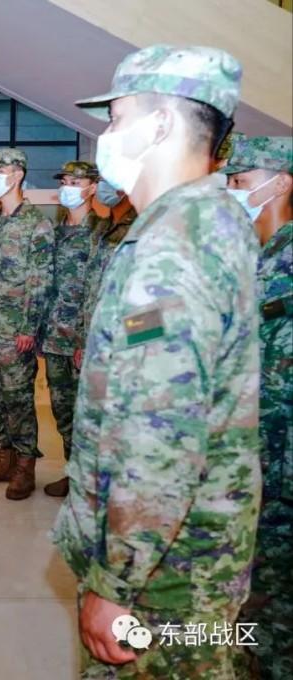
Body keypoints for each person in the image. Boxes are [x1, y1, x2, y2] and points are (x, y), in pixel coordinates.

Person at [50, 45, 261, 679]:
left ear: (161, 124)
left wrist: (116, 584)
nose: (106, 135)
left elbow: (157, 437)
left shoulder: (171, 250)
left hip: (165, 576)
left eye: (116, 118)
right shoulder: (210, 220)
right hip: (194, 555)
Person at [222, 135, 292, 680]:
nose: (234, 192)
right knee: (258, 567)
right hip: (248, 446)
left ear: (280, 182)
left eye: (242, 183)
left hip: (282, 449)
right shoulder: (247, 251)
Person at [0, 148, 54, 500]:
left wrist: (29, 329)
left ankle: (24, 465)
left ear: (18, 174)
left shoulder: (36, 223)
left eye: (1, 170)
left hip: (14, 331)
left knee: (17, 401)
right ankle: (1, 456)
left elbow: (40, 280)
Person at [41, 161, 107, 498]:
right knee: (62, 410)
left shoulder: (103, 233)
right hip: (54, 336)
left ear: (92, 187)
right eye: (65, 180)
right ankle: (72, 470)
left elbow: (100, 292)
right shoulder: (53, 232)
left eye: (76, 181)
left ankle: (91, 481)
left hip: (84, 339)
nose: (68, 186)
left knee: (88, 412)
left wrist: (86, 338)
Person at [74, 180, 138, 371]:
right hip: (92, 340)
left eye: (110, 181)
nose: (104, 188)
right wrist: (81, 341)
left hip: (121, 349)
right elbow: (89, 288)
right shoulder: (101, 229)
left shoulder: (141, 229)